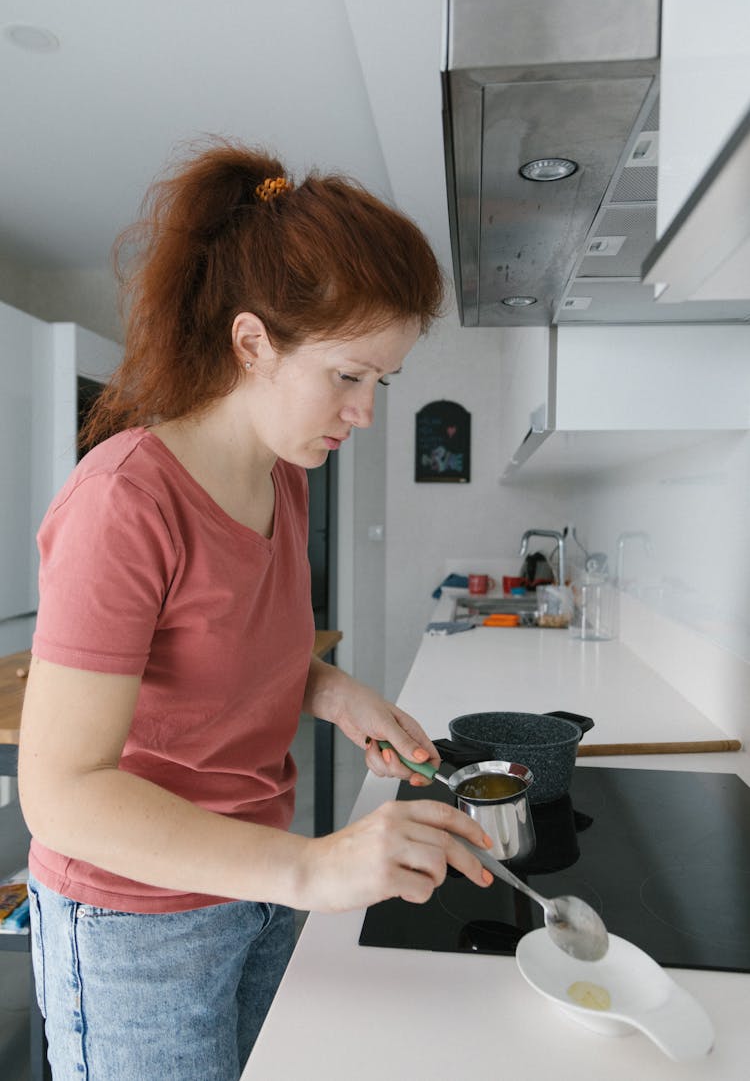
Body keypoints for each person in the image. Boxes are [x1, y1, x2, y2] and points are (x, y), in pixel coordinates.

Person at [18, 141, 494, 1081]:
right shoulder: (124, 501)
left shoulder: (285, 479)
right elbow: (61, 792)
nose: (363, 414)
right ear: (251, 343)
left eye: (380, 384)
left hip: (253, 876)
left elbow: (222, 651)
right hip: (134, 924)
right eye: (349, 376)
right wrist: (315, 869)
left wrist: (333, 692)